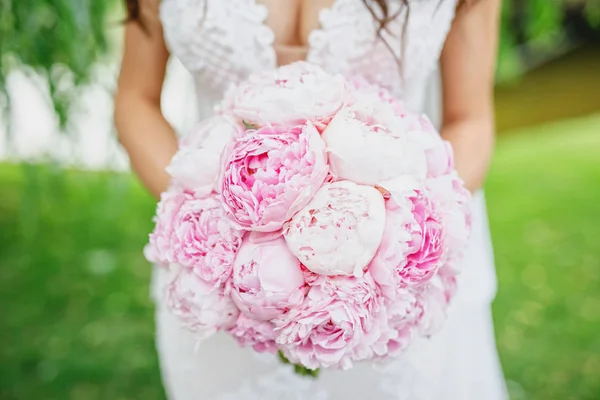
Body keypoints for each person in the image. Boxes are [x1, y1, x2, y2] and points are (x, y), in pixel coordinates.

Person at [114, 0, 507, 398]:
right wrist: (212, 222)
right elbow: (135, 99)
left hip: (395, 294)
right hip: (226, 294)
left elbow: (469, 119)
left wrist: (395, 237)